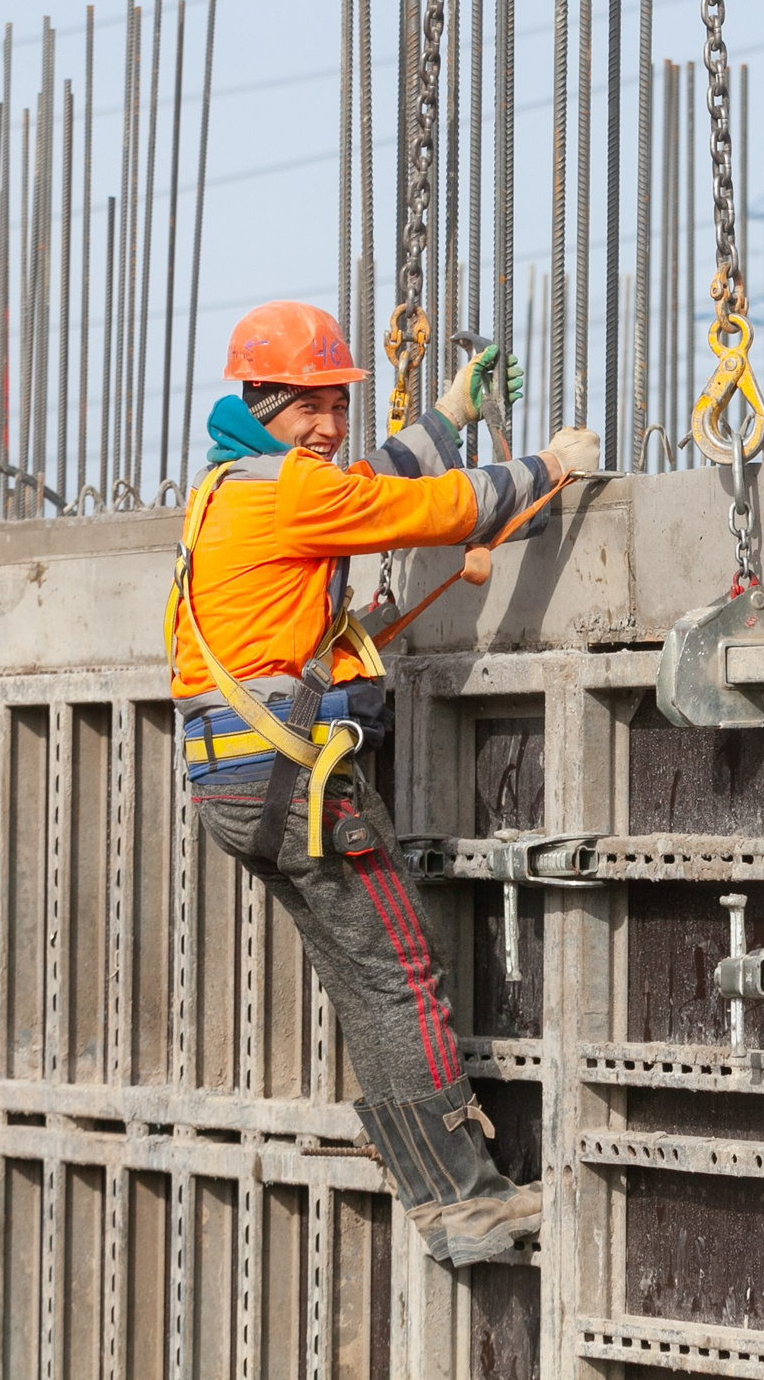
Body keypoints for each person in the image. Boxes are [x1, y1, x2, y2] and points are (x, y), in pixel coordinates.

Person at [166, 300, 597, 1266]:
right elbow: (434, 508)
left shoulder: (230, 484)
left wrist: (445, 414)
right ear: (263, 399)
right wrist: (549, 468)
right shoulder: (288, 494)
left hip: (234, 789)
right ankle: (462, 1198)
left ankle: (435, 1183)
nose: (327, 422)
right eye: (308, 404)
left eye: (335, 402)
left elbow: (367, 481)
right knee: (402, 974)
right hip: (293, 784)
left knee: (369, 983)